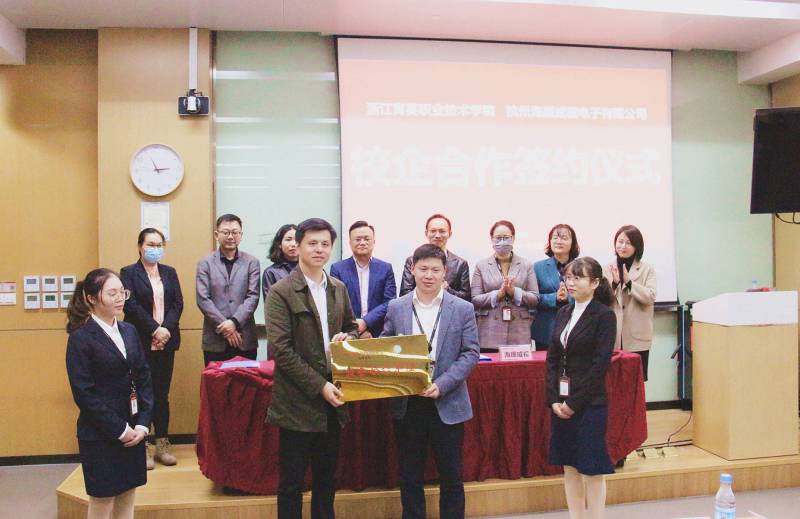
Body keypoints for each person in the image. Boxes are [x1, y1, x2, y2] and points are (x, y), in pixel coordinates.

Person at [266, 218, 360, 519]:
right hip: (297, 401)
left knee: (326, 478)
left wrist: (349, 339)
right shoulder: (281, 291)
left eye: (325, 244)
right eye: (312, 243)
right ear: (298, 246)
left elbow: (352, 327)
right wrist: (320, 386)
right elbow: (281, 350)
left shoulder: (338, 288)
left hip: (334, 400)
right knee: (292, 482)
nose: (319, 249)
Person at [382, 244, 480, 519]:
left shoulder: (462, 308)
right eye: (423, 269)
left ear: (444, 272)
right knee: (410, 474)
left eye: (435, 270)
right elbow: (386, 347)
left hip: (447, 401)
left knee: (451, 474)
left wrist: (443, 384)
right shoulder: (397, 307)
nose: (428, 275)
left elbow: (470, 352)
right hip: (408, 402)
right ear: (412, 269)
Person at [65, 268, 154, 519]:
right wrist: (121, 430)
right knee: (102, 501)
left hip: (134, 429)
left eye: (122, 292)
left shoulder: (129, 330)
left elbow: (144, 377)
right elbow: (84, 393)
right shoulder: (81, 337)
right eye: (112, 293)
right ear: (92, 298)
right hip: (101, 434)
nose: (120, 298)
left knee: (128, 495)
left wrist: (143, 424)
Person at [546, 257, 616, 519]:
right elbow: (552, 359)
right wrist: (554, 399)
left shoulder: (604, 316)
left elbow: (600, 366)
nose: (571, 283)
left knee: (591, 469)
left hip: (589, 404)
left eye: (578, 277)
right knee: (570, 466)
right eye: (568, 277)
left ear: (595, 283)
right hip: (561, 403)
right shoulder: (563, 312)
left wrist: (573, 403)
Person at [120, 228, 183, 470]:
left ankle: (162, 443)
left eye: (159, 245)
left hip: (167, 342)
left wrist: (165, 329)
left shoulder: (169, 272)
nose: (155, 249)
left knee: (162, 394)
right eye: (150, 244)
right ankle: (142, 444)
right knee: (141, 393)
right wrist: (155, 330)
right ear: (140, 247)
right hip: (141, 341)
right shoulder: (129, 273)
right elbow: (131, 306)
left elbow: (178, 303)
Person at [196, 214, 261, 366]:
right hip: (215, 338)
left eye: (235, 232)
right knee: (216, 381)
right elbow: (203, 299)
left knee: (246, 381)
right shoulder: (205, 263)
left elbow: (253, 297)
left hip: (244, 338)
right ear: (216, 235)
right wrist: (226, 327)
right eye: (226, 232)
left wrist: (234, 322)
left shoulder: (252, 262)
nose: (230, 236)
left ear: (241, 235)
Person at [471, 220, 540, 349]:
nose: (502, 242)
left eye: (506, 237)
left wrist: (515, 292)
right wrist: (498, 294)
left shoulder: (526, 265)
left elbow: (535, 298)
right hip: (489, 332)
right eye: (498, 238)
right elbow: (475, 299)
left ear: (513, 238)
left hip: (518, 333)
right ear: (491, 239)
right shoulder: (481, 265)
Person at [603, 225, 657, 381]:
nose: (623, 246)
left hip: (637, 336)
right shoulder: (606, 269)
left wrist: (629, 283)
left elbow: (650, 297)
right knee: (612, 380)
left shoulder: (647, 269)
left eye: (628, 243)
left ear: (637, 246)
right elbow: (601, 300)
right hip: (612, 333)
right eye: (620, 241)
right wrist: (614, 284)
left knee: (635, 382)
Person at [330, 220, 397, 338]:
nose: (362, 243)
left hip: (379, 332)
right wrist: (355, 328)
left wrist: (366, 322)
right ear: (350, 243)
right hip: (347, 333)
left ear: (374, 241)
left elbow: (390, 302)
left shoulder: (385, 268)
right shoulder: (337, 269)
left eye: (366, 239)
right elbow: (336, 303)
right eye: (358, 239)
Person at [399, 213, 471, 301]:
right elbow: (404, 294)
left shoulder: (460, 264)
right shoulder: (412, 260)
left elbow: (466, 299)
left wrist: (447, 289)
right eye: (433, 231)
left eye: (442, 231)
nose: (437, 235)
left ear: (450, 234)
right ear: (426, 233)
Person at [532, 224, 580, 351]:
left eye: (564, 238)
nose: (559, 241)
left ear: (573, 243)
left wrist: (569, 297)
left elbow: (588, 296)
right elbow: (532, 297)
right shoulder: (538, 267)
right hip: (546, 330)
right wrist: (555, 298)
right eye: (555, 238)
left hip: (576, 328)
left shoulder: (582, 266)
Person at [262, 224, 298, 299]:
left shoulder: (310, 269)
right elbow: (270, 302)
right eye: (288, 240)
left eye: (297, 240)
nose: (293, 244)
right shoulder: (271, 272)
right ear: (279, 244)